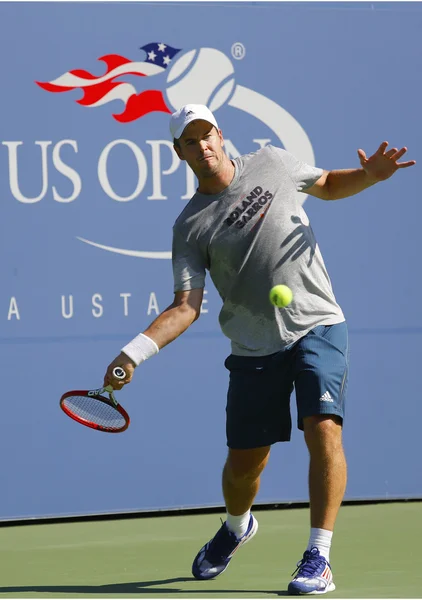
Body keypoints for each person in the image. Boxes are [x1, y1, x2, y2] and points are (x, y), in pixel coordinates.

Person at [103, 104, 415, 594]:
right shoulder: (189, 226)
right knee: (244, 467)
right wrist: (132, 354)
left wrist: (370, 176)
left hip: (318, 323)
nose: (202, 145)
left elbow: (330, 185)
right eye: (190, 141)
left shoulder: (272, 161)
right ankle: (236, 526)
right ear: (178, 153)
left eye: (207, 135)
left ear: (220, 136)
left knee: (324, 430)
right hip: (253, 347)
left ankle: (318, 556)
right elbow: (185, 306)